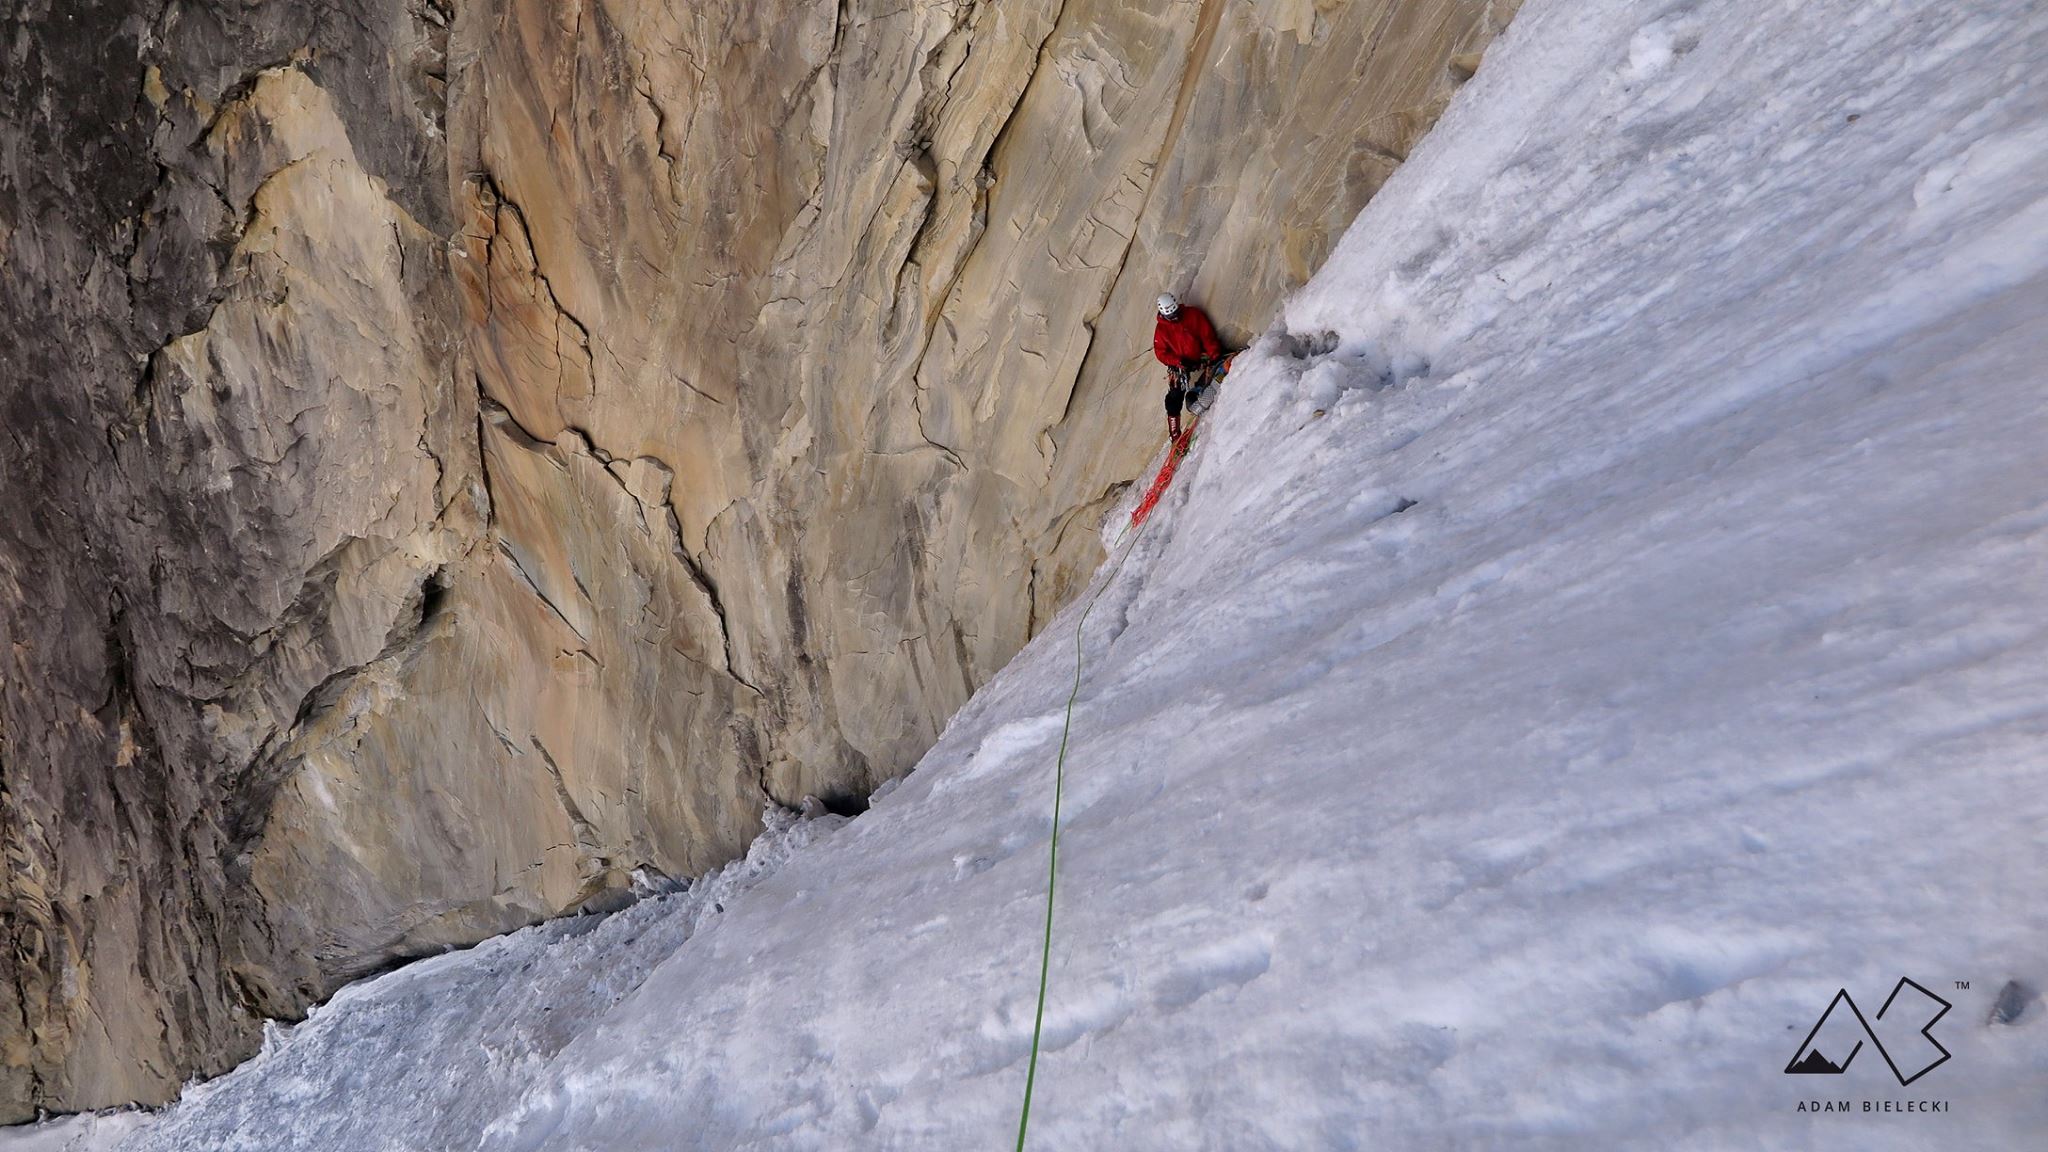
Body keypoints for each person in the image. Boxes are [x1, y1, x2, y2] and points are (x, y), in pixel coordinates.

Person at [1153, 292, 1224, 438]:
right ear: (1164, 315)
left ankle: (1209, 384)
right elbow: (1161, 353)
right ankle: (1175, 433)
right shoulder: (1161, 330)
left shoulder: (1192, 315)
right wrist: (1179, 362)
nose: (1175, 317)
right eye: (1171, 316)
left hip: (1200, 355)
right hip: (1180, 362)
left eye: (1176, 313)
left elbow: (1207, 336)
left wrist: (1214, 356)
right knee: (1175, 395)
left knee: (1216, 364)